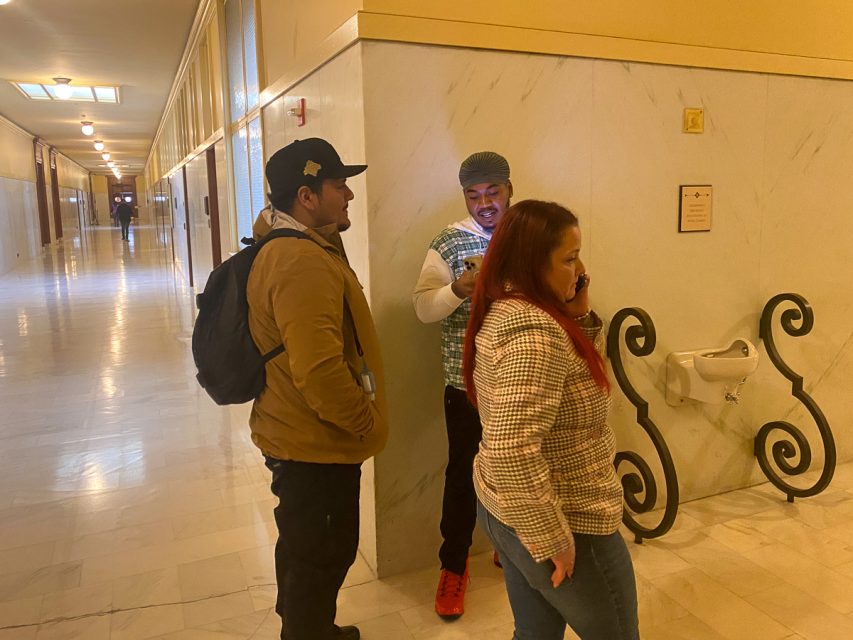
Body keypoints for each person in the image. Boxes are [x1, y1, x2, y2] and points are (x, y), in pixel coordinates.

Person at [462, 200, 639, 639]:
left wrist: (577, 315)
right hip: (570, 518)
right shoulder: (535, 337)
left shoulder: (507, 308)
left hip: (506, 510)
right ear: (532, 264)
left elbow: (569, 384)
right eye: (569, 258)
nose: (580, 270)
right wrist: (553, 539)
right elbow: (510, 451)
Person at [246, 138, 388, 640]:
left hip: (302, 435)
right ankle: (308, 632)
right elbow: (320, 371)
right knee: (322, 555)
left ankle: (314, 628)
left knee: (307, 550)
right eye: (338, 185)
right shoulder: (299, 261)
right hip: (313, 441)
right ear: (307, 197)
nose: (348, 195)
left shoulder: (298, 246)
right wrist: (367, 424)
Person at [412, 151, 513, 618]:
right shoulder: (450, 242)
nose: (484, 204)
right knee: (462, 476)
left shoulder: (529, 234)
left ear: (510, 189)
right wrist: (458, 290)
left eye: (492, 193)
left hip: (520, 378)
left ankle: (506, 546)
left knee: (515, 469)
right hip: (466, 381)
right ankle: (453, 568)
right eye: (474, 195)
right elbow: (423, 308)